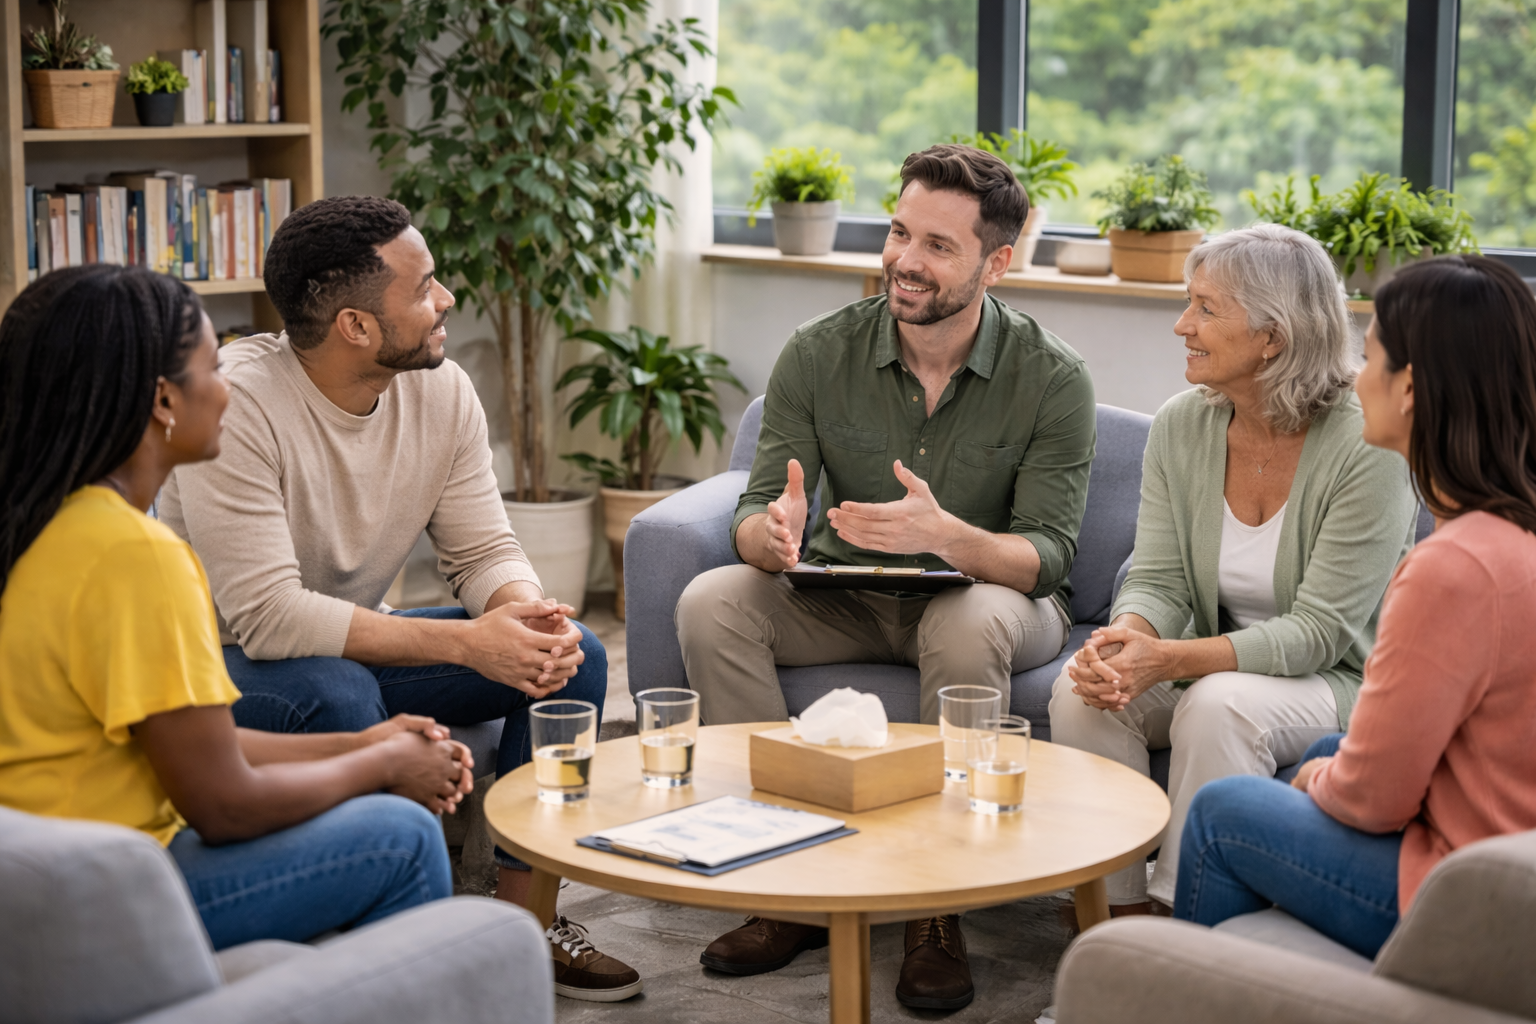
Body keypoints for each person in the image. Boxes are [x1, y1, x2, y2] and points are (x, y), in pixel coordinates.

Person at [154, 196, 638, 1001]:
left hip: (345, 644)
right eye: (424, 287)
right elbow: (268, 619)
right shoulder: (237, 406)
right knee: (335, 688)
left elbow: (482, 548)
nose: (445, 298)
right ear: (356, 326)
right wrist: (464, 643)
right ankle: (382, 940)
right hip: (228, 670)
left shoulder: (439, 391)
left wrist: (525, 615)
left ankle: (522, 929)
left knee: (576, 657)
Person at [676, 145, 1097, 1011]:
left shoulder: (1053, 377)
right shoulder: (817, 352)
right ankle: (781, 873)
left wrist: (949, 537)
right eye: (901, 232)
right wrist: (773, 537)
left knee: (967, 618)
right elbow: (756, 508)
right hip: (845, 595)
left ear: (997, 262)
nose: (906, 259)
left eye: (939, 246)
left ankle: (935, 910)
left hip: (993, 604)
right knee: (713, 600)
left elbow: (1048, 556)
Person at [0, 265, 474, 950]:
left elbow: (186, 750)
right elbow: (222, 805)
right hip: (106, 896)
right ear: (165, 401)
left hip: (44, 879)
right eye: (210, 369)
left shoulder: (49, 526)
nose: (227, 390)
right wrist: (382, 769)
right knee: (401, 839)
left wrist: (362, 743)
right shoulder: (135, 558)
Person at [1048, 224, 1418, 913]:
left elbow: (1320, 633)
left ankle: (1185, 921)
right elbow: (1157, 575)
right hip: (1212, 658)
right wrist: (1124, 639)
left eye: (1206, 308)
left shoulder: (1366, 444)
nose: (1183, 325)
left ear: (1272, 337)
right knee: (1080, 694)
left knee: (1220, 706)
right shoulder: (1181, 424)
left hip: (1330, 678)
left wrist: (1168, 658)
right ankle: (1111, 922)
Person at [1175, 255, 1536, 957]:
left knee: (1223, 813)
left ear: (1410, 389)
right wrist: (1326, 768)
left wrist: (1320, 782)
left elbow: (1374, 799)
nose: (1353, 376)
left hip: (1467, 895)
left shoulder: (1451, 568)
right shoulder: (1511, 534)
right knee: (1321, 746)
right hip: (1504, 851)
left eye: (1368, 357)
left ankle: (1174, 983)